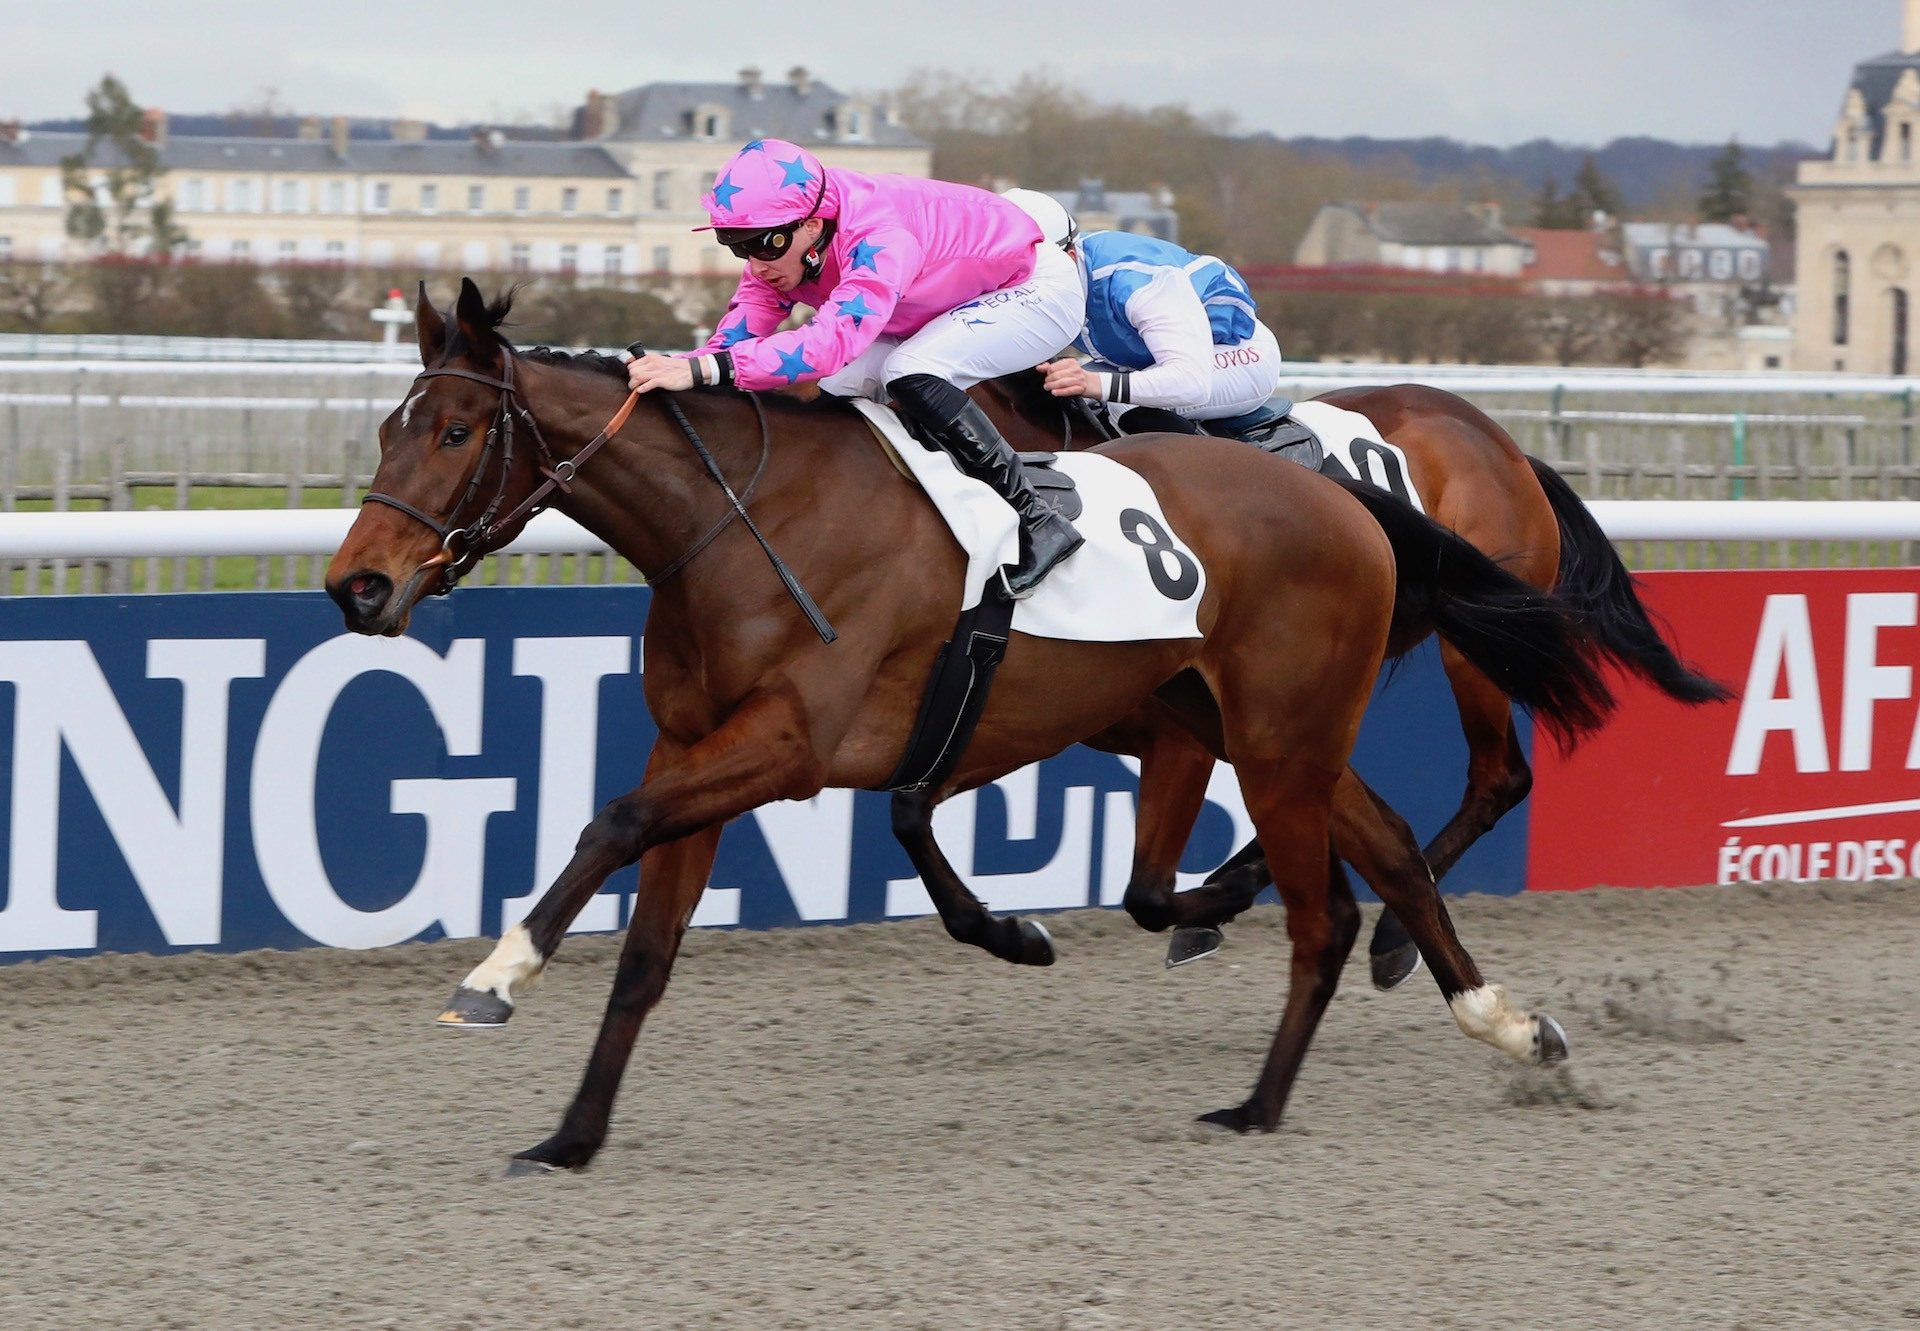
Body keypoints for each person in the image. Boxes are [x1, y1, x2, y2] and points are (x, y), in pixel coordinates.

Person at [625, 140, 1085, 597]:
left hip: (1033, 287)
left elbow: (825, 346)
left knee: (909, 370)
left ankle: (1038, 518)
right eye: (736, 246)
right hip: (938, 297)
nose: (756, 264)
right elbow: (730, 346)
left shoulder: (879, 236)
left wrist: (702, 372)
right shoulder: (781, 248)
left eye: (764, 245)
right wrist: (676, 367)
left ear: (810, 224)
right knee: (833, 387)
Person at [1036, 230, 1282, 434]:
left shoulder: (1132, 284)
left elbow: (1190, 382)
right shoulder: (1066, 272)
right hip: (1152, 360)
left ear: (1068, 258)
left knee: (1124, 406)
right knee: (1051, 395)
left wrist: (1091, 381)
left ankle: (1207, 487)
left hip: (1235, 352)